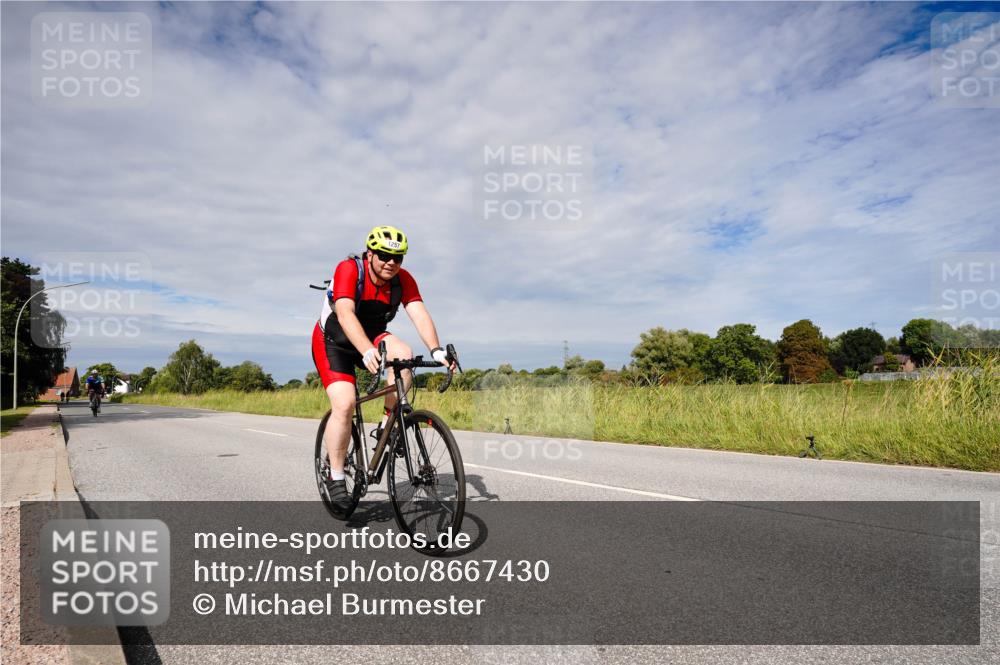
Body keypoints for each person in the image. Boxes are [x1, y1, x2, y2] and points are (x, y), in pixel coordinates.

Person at [311, 225, 456, 509]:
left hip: (372, 336)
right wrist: (365, 349)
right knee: (345, 403)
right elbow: (344, 313)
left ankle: (386, 425)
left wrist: (437, 350)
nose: (391, 262)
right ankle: (336, 474)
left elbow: (419, 314)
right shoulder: (350, 270)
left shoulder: (403, 280)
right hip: (334, 341)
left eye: (398, 257)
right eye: (384, 255)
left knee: (404, 356)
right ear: (370, 253)